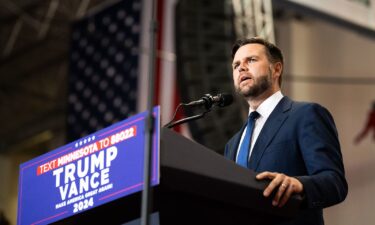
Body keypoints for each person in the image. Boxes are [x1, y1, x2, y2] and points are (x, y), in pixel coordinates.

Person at [224, 37, 347, 225]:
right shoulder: (232, 144)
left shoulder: (305, 115)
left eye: (251, 60)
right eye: (236, 65)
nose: (241, 68)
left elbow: (334, 183)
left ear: (277, 69)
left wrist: (299, 185)